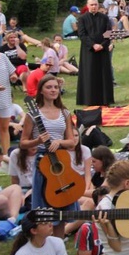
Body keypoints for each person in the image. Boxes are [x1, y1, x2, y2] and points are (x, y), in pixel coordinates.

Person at [20, 74, 76, 239]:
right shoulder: (33, 114)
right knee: (46, 208)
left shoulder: (64, 112)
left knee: (62, 208)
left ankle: (59, 242)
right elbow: (23, 142)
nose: (53, 90)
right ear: (41, 91)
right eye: (49, 87)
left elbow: (72, 141)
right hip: (43, 161)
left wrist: (59, 142)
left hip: (61, 160)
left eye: (55, 87)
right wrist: (37, 140)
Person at [76, 0, 114, 106]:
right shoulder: (82, 19)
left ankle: (105, 99)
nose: (94, 7)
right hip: (89, 51)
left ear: (98, 5)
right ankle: (89, 100)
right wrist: (93, 45)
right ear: (87, 6)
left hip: (103, 50)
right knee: (89, 74)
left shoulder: (105, 18)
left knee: (103, 74)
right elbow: (82, 34)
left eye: (95, 4)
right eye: (91, 5)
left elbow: (109, 33)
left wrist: (102, 45)